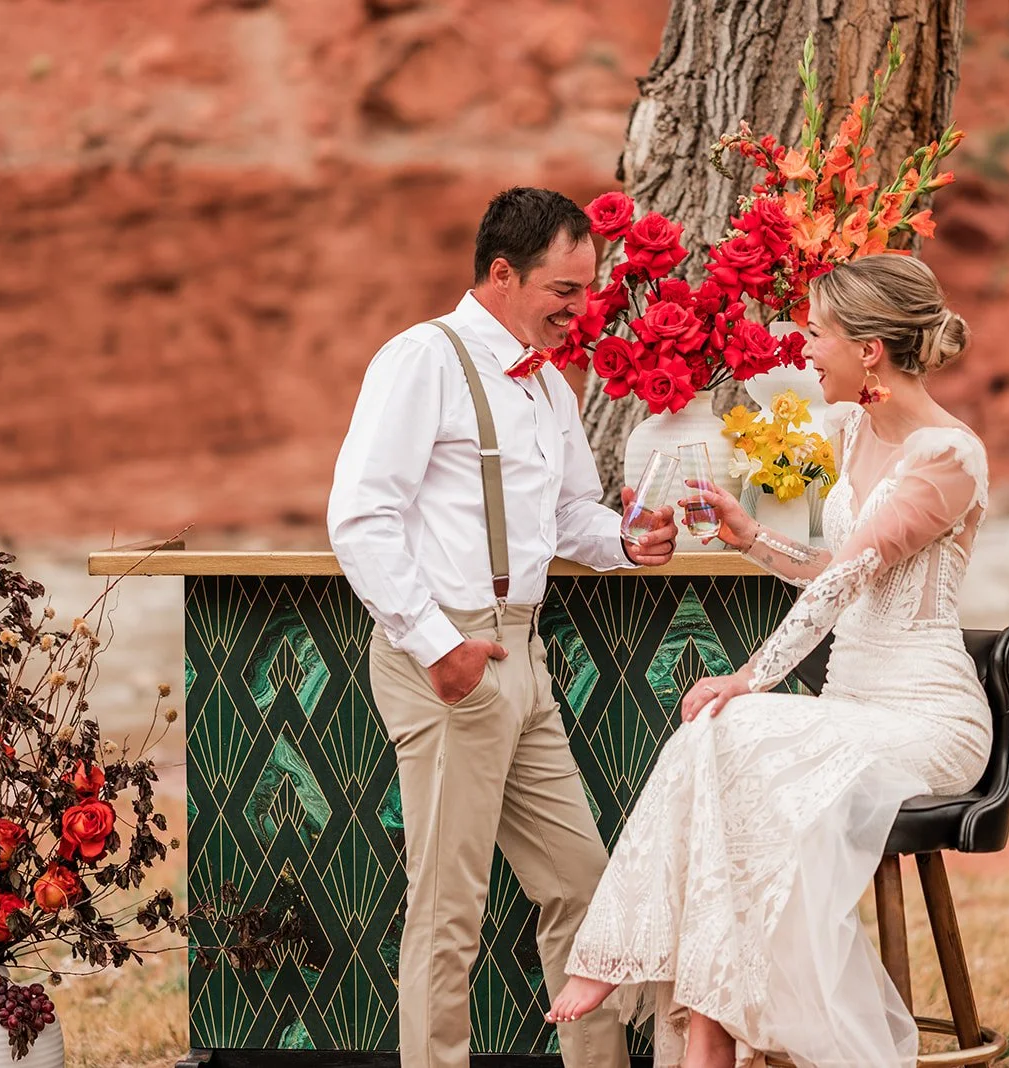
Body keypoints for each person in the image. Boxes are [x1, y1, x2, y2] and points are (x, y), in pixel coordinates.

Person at [545, 254, 993, 1068]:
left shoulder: (948, 458)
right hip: (849, 709)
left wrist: (751, 675)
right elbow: (839, 571)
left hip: (925, 719)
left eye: (817, 333)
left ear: (869, 350)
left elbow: (847, 580)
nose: (805, 349)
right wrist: (752, 538)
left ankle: (634, 974)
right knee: (721, 741)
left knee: (733, 718)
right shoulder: (855, 429)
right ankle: (711, 1031)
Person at [327, 186, 678, 1068]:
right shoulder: (421, 360)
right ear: (500, 274)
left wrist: (628, 542)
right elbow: (361, 516)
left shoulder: (549, 387)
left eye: (586, 289)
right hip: (448, 655)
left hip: (525, 656)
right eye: (565, 290)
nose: (580, 309)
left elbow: (567, 520)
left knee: (580, 887)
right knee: (448, 909)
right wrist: (437, 646)